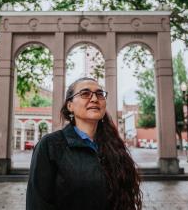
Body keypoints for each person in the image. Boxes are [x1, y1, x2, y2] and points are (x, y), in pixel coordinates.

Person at [26, 77, 142, 210]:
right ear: (70, 105)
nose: (94, 99)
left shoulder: (115, 147)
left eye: (99, 94)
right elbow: (37, 203)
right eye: (85, 94)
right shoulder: (50, 145)